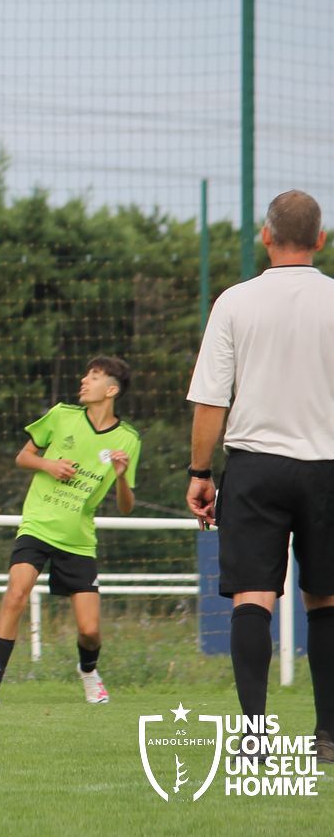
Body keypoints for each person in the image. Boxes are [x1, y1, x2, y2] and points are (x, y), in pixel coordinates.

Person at [186, 189, 334, 763]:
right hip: (327, 467)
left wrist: (201, 472)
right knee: (325, 597)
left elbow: (210, 401)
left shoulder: (234, 302)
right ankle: (328, 738)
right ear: (320, 239)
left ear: (266, 236)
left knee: (253, 595)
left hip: (254, 466)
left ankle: (254, 737)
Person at [0, 358, 139, 707]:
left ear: (111, 390)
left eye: (94, 377)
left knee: (90, 631)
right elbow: (23, 457)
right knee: (15, 595)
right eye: (86, 375)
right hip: (37, 525)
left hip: (78, 540)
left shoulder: (128, 439)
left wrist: (122, 476)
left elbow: (126, 506)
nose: (84, 381)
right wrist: (48, 464)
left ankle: (88, 671)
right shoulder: (62, 415)